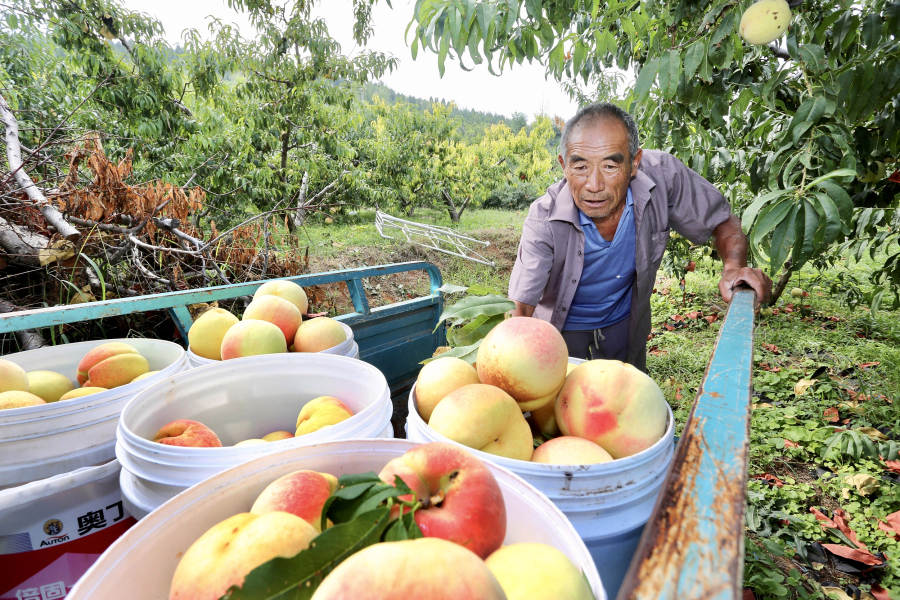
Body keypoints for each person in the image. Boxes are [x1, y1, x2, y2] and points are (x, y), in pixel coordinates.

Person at [508, 103, 772, 371]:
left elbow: (722, 220)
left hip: (624, 320)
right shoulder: (544, 217)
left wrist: (734, 267)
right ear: (564, 165)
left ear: (634, 162)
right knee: (561, 398)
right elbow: (520, 307)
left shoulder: (664, 176)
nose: (594, 185)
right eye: (580, 168)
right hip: (561, 325)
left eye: (611, 166)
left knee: (623, 397)